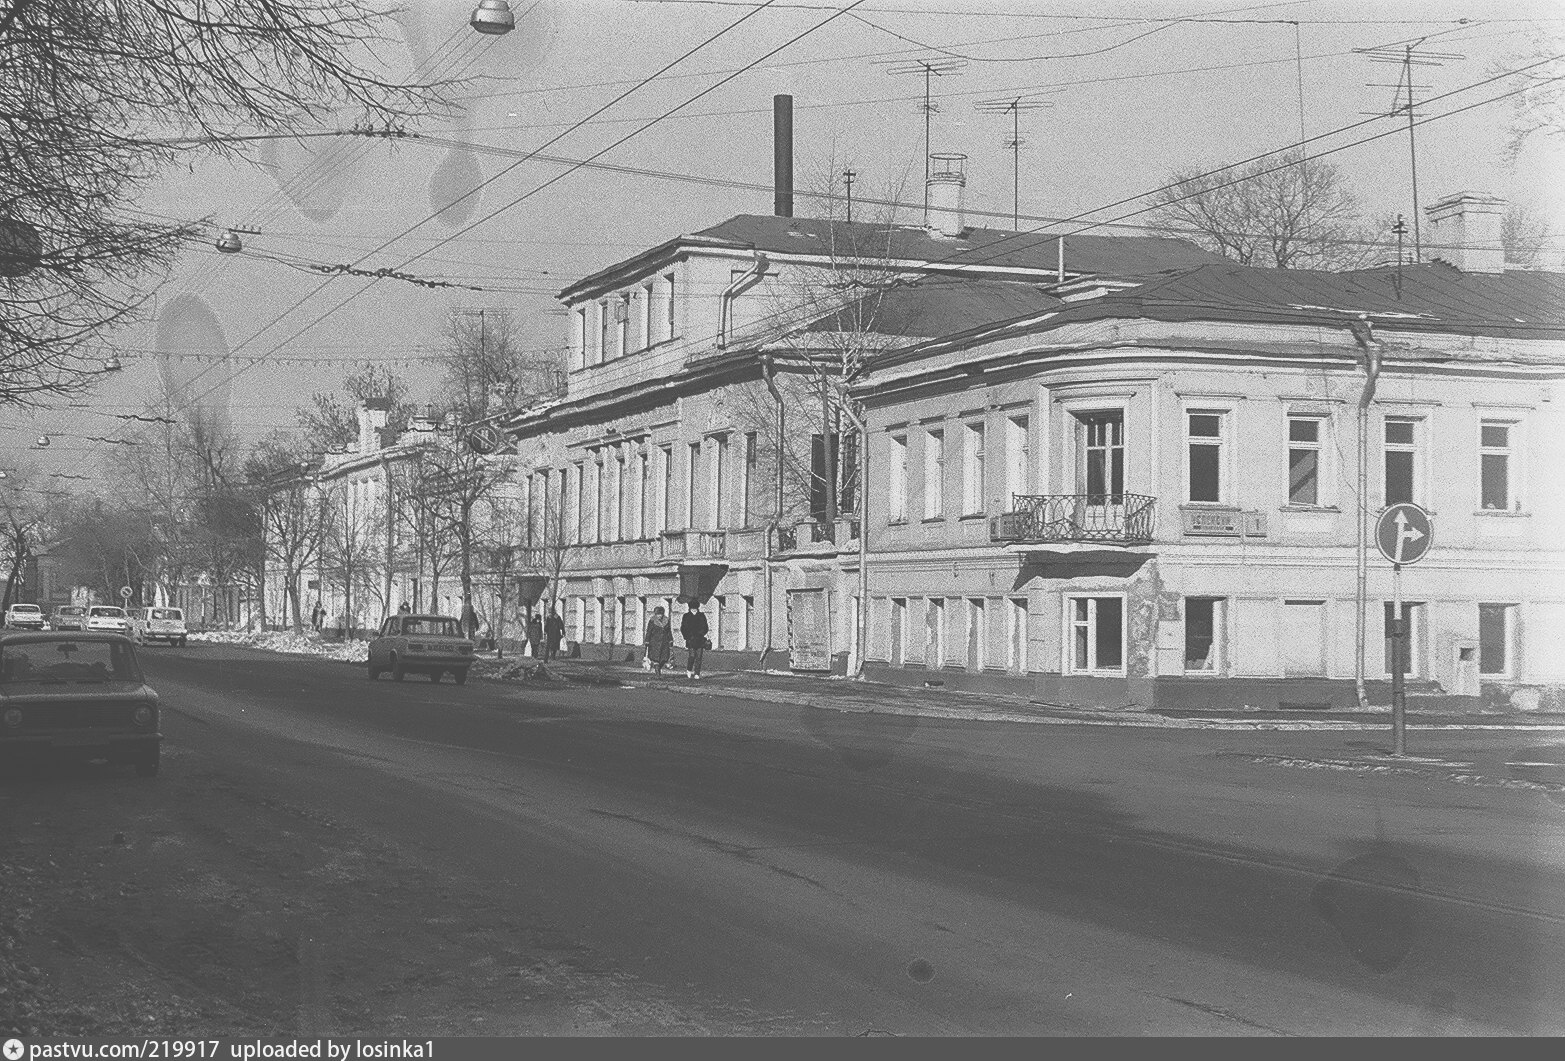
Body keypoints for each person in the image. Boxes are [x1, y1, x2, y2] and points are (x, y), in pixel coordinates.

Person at [679, 601, 708, 680]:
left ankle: (697, 673)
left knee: (699, 657)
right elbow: (683, 628)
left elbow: (706, 627)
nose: (694, 610)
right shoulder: (686, 616)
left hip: (700, 639)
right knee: (692, 656)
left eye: (695, 608)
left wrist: (701, 633)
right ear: (690, 608)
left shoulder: (701, 616)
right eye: (692, 608)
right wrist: (687, 637)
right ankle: (689, 669)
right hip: (690, 639)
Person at [643, 606, 673, 674]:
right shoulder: (652, 620)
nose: (659, 616)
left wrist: (670, 640)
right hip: (654, 642)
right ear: (655, 614)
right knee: (655, 658)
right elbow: (649, 631)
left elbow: (669, 631)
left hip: (664, 642)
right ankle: (657, 672)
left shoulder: (666, 620)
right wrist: (647, 640)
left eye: (660, 614)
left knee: (664, 658)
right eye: (657, 614)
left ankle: (658, 668)